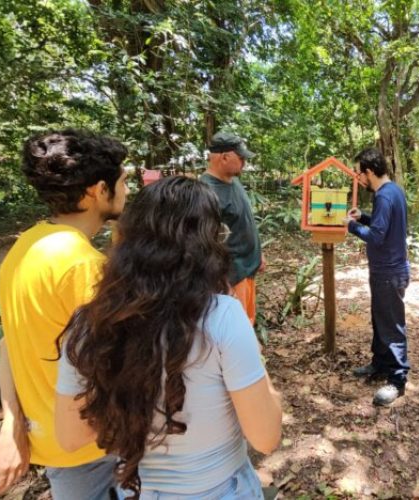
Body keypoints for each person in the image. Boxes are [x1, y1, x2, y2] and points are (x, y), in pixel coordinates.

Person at [54, 176, 283, 498]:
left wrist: (130, 400)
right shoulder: (222, 317)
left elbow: (70, 437)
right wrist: (263, 374)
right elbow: (266, 437)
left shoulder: (89, 324)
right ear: (209, 244)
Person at [0, 130, 129, 499]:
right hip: (96, 447)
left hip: (52, 444)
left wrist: (12, 422)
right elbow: (118, 369)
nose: (127, 190)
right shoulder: (85, 268)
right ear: (98, 190)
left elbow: (9, 342)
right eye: (124, 181)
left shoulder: (27, 245)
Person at [346, 147, 410, 406]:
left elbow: (377, 236)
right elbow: (384, 223)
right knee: (381, 318)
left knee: (391, 324)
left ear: (369, 172)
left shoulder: (384, 196)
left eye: (360, 174)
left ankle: (397, 379)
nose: (359, 179)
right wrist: (363, 217)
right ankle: (380, 363)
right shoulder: (392, 190)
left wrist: (350, 225)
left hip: (388, 272)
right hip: (389, 270)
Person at [200, 131, 264, 325]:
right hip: (231, 276)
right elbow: (206, 243)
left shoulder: (233, 181)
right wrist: (222, 281)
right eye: (241, 157)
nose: (244, 163)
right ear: (224, 157)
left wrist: (258, 253)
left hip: (248, 268)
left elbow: (244, 221)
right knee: (236, 328)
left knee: (247, 321)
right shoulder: (206, 193)